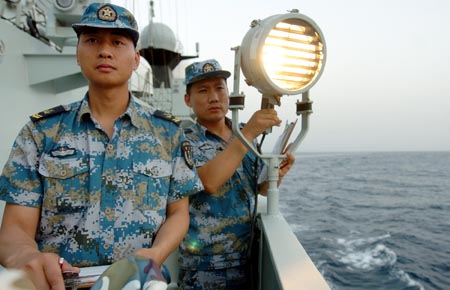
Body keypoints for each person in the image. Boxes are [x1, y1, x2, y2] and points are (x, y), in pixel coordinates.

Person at [0, 3, 203, 290]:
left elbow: (178, 212)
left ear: (135, 59)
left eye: (117, 42)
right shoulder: (40, 133)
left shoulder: (167, 133)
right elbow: (15, 227)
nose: (104, 51)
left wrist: (154, 256)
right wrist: (27, 257)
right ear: (77, 53)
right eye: (92, 40)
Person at [177, 59, 295, 289]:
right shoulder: (183, 139)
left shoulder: (241, 133)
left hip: (246, 260)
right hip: (203, 269)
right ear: (188, 100)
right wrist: (248, 133)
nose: (214, 97)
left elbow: (258, 186)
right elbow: (208, 182)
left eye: (220, 88)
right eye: (203, 90)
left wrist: (276, 174)